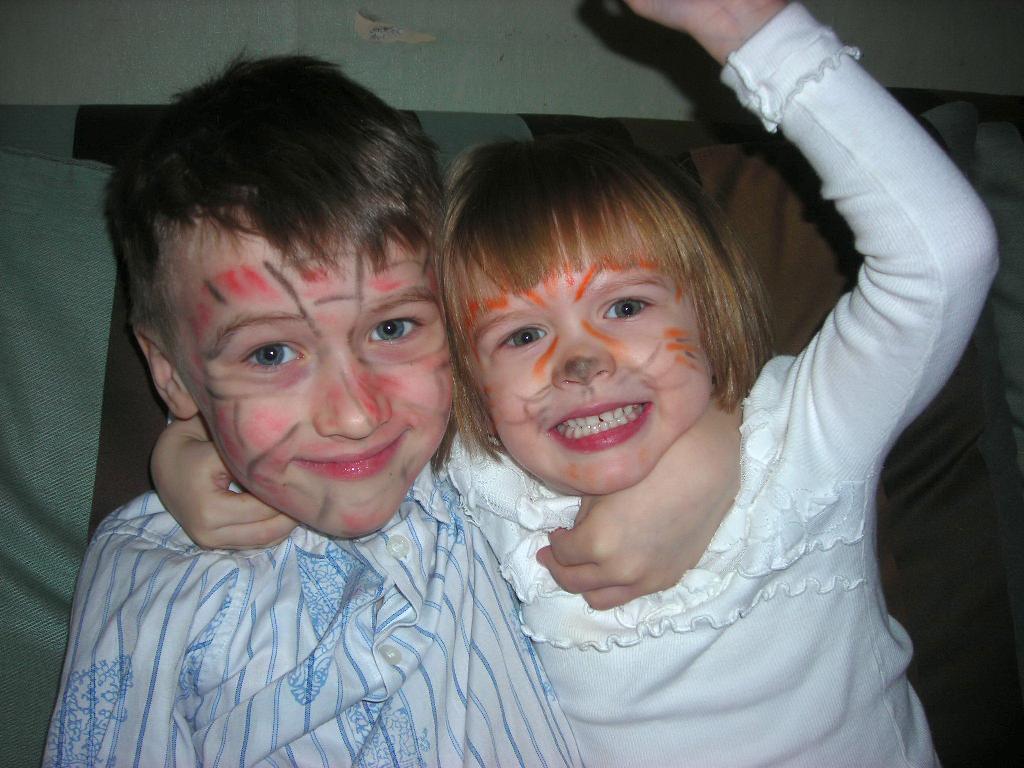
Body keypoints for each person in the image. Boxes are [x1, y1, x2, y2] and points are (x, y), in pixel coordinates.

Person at [149, 0, 998, 765]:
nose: (582, 363)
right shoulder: (481, 476)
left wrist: (758, 33)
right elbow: (356, 424)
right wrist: (189, 447)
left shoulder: (807, 436)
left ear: (709, 313)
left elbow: (945, 258)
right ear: (473, 379)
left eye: (625, 306)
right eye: (522, 334)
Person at [43, 55, 582, 767]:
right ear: (169, 372)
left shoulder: (499, 468)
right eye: (271, 353)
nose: (355, 417)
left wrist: (689, 484)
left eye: (393, 328)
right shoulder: (155, 577)